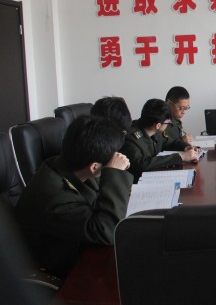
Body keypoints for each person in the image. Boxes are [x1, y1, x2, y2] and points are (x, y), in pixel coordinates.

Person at [15, 115, 133, 278]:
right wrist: (115, 173)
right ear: (94, 167)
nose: (118, 157)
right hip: (63, 266)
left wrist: (112, 175)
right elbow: (106, 231)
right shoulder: (56, 198)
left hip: (79, 243)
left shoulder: (67, 164)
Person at [120, 99, 198, 182]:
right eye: (168, 123)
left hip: (154, 176)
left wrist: (186, 147)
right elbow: (142, 164)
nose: (168, 124)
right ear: (158, 125)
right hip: (137, 183)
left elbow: (170, 142)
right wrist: (180, 157)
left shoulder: (154, 130)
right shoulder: (131, 138)